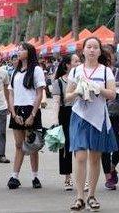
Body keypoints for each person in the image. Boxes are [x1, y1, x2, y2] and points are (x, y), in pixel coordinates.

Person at [65, 37, 117, 212]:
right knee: (80, 156)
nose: (92, 50)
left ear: (100, 51)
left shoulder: (105, 71)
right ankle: (79, 196)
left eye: (95, 47)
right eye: (89, 47)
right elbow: (67, 96)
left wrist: (98, 89)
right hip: (79, 116)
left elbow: (112, 94)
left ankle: (92, 196)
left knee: (95, 158)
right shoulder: (76, 71)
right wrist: (78, 92)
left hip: (98, 117)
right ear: (84, 50)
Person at [7, 42, 46, 189]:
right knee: (19, 145)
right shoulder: (15, 71)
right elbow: (10, 93)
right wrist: (13, 112)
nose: (19, 51)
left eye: (22, 49)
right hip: (17, 109)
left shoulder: (36, 69)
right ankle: (14, 176)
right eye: (18, 49)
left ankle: (35, 177)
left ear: (29, 52)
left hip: (31, 109)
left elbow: (39, 93)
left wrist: (33, 114)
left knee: (32, 144)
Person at [51, 54, 81, 191]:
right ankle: (67, 178)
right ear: (67, 65)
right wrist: (55, 119)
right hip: (65, 114)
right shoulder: (58, 82)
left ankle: (83, 179)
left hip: (80, 113)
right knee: (65, 147)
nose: (78, 63)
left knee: (81, 146)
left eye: (79, 61)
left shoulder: (82, 79)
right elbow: (56, 101)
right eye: (75, 61)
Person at [101, 45, 119, 190]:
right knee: (104, 147)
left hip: (117, 113)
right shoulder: (99, 72)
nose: (109, 57)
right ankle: (108, 177)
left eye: (111, 54)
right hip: (102, 113)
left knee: (118, 144)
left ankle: (112, 166)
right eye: (106, 55)